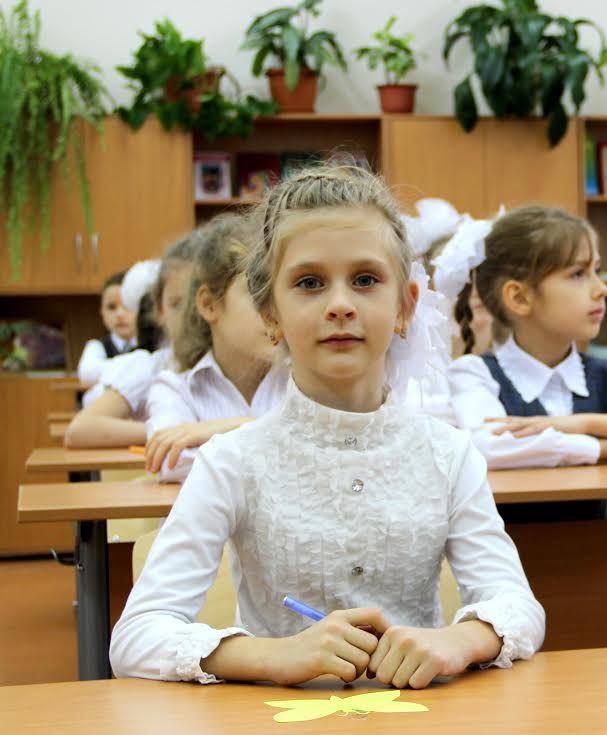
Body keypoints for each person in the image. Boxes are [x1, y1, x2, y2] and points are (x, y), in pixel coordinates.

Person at [110, 164, 544, 688]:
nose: (340, 305)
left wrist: (460, 640)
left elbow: (519, 606)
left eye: (365, 280)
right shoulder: (233, 459)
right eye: (309, 283)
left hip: (422, 716)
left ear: (406, 305)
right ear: (271, 314)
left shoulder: (448, 453)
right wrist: (272, 655)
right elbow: (136, 636)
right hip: (276, 719)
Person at [441, 207, 607, 472]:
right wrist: (605, 448)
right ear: (519, 298)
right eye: (578, 274)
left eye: (597, 270)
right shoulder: (474, 374)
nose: (602, 288)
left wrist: (587, 423)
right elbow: (489, 446)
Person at [144, 213, 286, 483]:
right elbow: (172, 463)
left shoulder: (307, 379)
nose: (276, 311)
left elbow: (328, 453)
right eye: (258, 293)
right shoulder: (176, 389)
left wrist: (226, 428)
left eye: (282, 293)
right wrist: (273, 437)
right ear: (209, 305)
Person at [64, 236, 199, 449]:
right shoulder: (150, 365)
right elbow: (79, 430)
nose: (192, 315)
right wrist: (167, 432)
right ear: (159, 312)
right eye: (177, 304)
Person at [76, 271, 137, 390]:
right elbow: (87, 374)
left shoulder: (156, 344)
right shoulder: (96, 346)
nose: (120, 314)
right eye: (111, 307)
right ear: (102, 313)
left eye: (127, 305)